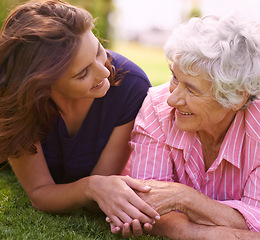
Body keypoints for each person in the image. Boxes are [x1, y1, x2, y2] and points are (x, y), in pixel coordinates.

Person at [0, 0, 160, 229]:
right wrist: (90, 187)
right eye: (83, 73)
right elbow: (39, 192)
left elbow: (98, 201)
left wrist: (99, 190)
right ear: (43, 85)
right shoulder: (16, 100)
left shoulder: (131, 86)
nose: (104, 71)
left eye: (97, 51)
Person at [110, 13, 260, 239]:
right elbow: (146, 207)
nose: (172, 99)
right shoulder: (157, 108)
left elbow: (255, 219)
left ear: (237, 97)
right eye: (174, 78)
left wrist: (183, 198)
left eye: (191, 89)